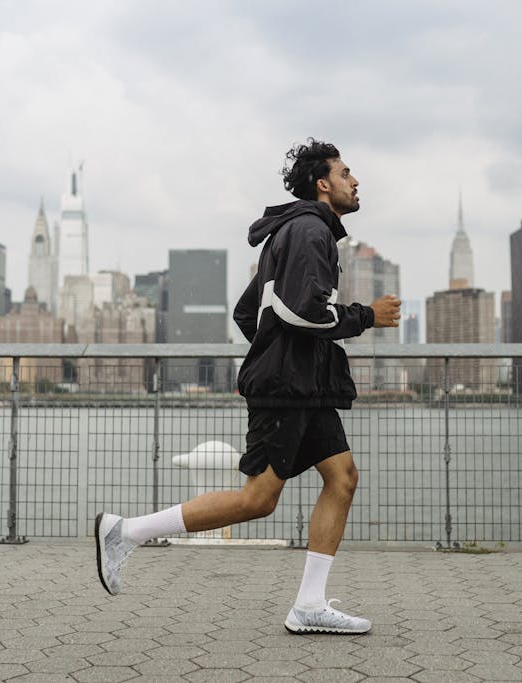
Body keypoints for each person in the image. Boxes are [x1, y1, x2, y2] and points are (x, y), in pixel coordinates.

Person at [94, 138, 401, 635]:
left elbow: (248, 311)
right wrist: (367, 316)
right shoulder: (308, 231)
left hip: (304, 385)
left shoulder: (297, 232)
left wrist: (277, 352)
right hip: (287, 387)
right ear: (323, 184)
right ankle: (124, 532)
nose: (356, 179)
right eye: (347, 172)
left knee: (342, 478)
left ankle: (308, 605)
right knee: (258, 498)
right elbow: (302, 310)